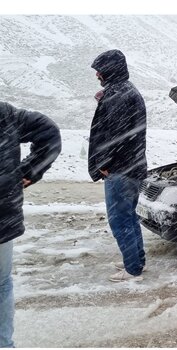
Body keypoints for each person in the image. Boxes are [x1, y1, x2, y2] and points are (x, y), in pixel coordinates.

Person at [1, 102, 61, 347]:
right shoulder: (5, 114)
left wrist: (28, 170)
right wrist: (28, 170)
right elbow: (50, 133)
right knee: (1, 284)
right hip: (2, 214)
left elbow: (49, 134)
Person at [88, 49, 148, 282]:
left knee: (120, 219)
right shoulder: (124, 91)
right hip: (132, 165)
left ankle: (132, 268)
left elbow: (115, 134)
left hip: (120, 168)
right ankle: (136, 260)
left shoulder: (118, 95)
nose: (97, 75)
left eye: (99, 71)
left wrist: (104, 162)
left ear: (109, 70)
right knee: (129, 216)